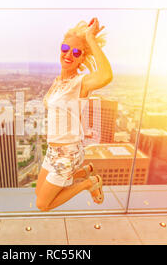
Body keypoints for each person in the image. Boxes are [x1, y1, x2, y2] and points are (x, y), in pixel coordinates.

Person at [35, 17, 113, 211]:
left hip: (67, 155)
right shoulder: (58, 82)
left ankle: (89, 182)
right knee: (39, 191)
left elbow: (106, 76)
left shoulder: (80, 83)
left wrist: (90, 38)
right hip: (53, 151)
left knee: (42, 204)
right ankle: (83, 172)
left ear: (81, 58)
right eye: (65, 49)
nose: (69, 54)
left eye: (76, 52)